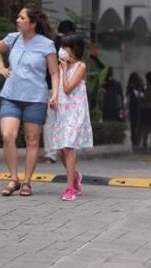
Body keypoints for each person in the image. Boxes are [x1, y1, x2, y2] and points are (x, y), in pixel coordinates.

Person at [0, 4, 59, 197]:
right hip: (11, 95)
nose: (17, 20)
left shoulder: (46, 44)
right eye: (18, 17)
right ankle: (13, 179)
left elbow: (54, 72)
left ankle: (27, 181)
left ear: (33, 23)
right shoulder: (13, 39)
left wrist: (54, 94)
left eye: (22, 18)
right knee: (7, 135)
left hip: (36, 98)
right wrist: (0, 67)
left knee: (32, 140)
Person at [48, 34, 92, 201]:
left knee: (67, 147)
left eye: (65, 48)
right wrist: (53, 98)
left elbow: (67, 88)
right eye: (62, 47)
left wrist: (65, 69)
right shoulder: (61, 67)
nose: (62, 51)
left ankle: (69, 188)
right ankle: (75, 176)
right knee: (61, 150)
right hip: (63, 111)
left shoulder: (80, 66)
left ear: (74, 50)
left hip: (76, 112)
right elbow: (59, 88)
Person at [43, 19, 77, 164]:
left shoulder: (49, 43)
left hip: (49, 86)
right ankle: (65, 151)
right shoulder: (71, 46)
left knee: (50, 120)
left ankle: (50, 154)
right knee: (66, 120)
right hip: (65, 88)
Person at [125, 72, 145, 152]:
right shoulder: (137, 86)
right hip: (138, 107)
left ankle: (135, 141)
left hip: (134, 107)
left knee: (134, 126)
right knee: (137, 125)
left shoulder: (131, 87)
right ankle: (136, 141)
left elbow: (128, 97)